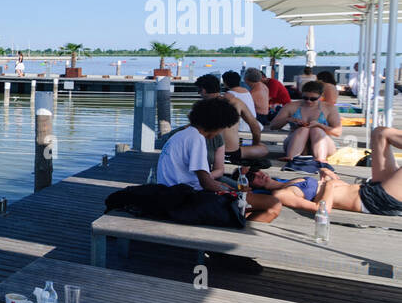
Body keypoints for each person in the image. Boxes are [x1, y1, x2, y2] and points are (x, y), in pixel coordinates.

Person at [157, 97, 281, 221]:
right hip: (188, 199)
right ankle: (237, 226)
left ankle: (237, 220)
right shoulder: (197, 139)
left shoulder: (182, 135)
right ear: (217, 124)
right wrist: (231, 191)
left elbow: (199, 178)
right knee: (272, 203)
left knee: (253, 202)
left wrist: (228, 187)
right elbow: (205, 182)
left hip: (172, 195)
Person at [251, 127, 402, 216]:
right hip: (374, 201)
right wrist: (329, 185)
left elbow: (341, 188)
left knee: (380, 133)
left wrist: (329, 175)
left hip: (370, 189)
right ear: (252, 187)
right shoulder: (281, 194)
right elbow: (321, 210)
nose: (259, 174)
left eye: (256, 171)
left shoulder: (286, 182)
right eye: (253, 177)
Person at [197, 74, 267, 163]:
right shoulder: (236, 102)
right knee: (263, 148)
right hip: (231, 153)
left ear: (203, 90)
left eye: (199, 91)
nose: (199, 93)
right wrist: (255, 144)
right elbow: (255, 127)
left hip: (209, 153)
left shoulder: (200, 107)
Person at [267, 80, 341, 162]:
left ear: (321, 97)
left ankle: (320, 159)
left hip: (323, 145)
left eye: (313, 99)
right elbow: (272, 126)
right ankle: (291, 157)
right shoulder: (292, 106)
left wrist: (320, 125)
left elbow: (338, 132)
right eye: (305, 98)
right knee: (303, 129)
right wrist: (288, 119)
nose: (308, 101)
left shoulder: (328, 108)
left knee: (316, 129)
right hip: (295, 145)